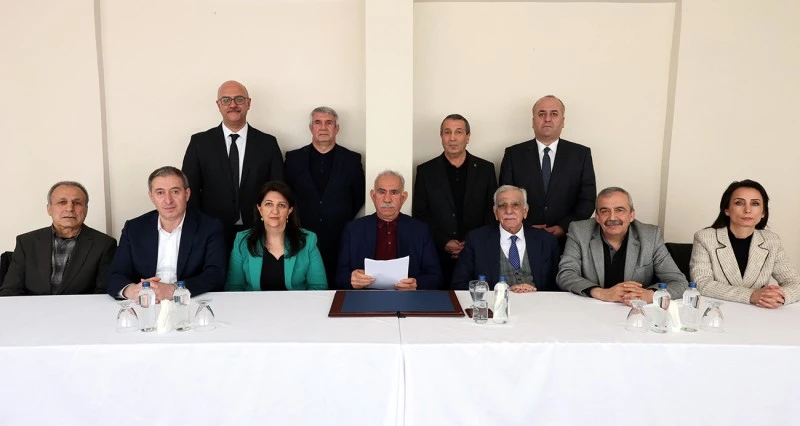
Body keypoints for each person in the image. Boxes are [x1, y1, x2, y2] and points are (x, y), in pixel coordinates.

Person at [182, 80, 283, 253]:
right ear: (218, 105)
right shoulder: (200, 143)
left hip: (258, 228)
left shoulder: (268, 143)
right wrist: (197, 226)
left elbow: (278, 188)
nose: (233, 104)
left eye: (239, 99)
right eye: (226, 100)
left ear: (248, 103)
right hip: (211, 229)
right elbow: (189, 189)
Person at [107, 166, 227, 300]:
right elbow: (115, 275)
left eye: (175, 192)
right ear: (151, 196)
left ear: (187, 194)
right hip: (145, 304)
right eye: (160, 193)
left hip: (190, 302)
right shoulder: (134, 228)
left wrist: (173, 290)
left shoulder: (210, 227)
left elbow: (215, 274)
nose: (168, 200)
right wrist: (133, 291)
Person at [557, 187, 686, 303]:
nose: (612, 218)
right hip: (592, 308)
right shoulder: (579, 232)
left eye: (619, 210)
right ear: (597, 217)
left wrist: (649, 295)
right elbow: (566, 274)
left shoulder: (650, 236)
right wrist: (602, 293)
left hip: (633, 310)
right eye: (605, 211)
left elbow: (679, 282)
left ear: (631, 215)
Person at [499, 95, 596, 247]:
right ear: (533, 121)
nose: (547, 119)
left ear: (563, 121)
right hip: (523, 238)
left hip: (568, 240)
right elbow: (504, 198)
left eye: (554, 114)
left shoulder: (581, 154)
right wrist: (526, 225)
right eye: (541, 114)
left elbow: (588, 200)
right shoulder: (513, 154)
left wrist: (563, 226)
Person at [413, 114, 497, 288]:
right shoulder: (425, 171)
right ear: (441, 137)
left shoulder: (486, 169)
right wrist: (444, 242)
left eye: (458, 132)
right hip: (437, 254)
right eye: (447, 132)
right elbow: (421, 214)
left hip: (477, 253)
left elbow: (492, 211)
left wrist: (471, 242)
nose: (452, 138)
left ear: (468, 137)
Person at [284, 106, 365, 285]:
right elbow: (286, 195)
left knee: (337, 283)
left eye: (329, 123)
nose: (323, 127)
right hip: (301, 235)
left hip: (339, 236)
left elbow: (359, 195)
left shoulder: (352, 160)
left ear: (337, 128)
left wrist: (338, 215)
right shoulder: (293, 158)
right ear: (310, 128)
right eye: (318, 122)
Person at [690, 179, 800, 307]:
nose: (747, 210)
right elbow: (702, 283)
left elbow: (794, 282)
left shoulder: (772, 240)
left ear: (763, 212)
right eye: (739, 203)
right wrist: (751, 295)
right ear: (726, 209)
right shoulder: (705, 238)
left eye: (755, 204)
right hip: (718, 311)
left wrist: (777, 296)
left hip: (759, 311)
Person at [0, 182, 116, 296]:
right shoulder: (26, 242)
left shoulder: (104, 244)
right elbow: (11, 290)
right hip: (34, 307)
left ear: (86, 209)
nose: (69, 208)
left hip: (80, 308)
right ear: (49, 209)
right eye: (62, 202)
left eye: (77, 203)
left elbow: (103, 294)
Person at [336, 171, 441, 290]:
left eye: (394, 192)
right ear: (373, 196)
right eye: (381, 192)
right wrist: (351, 279)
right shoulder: (353, 229)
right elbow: (340, 276)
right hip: (363, 296)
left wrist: (417, 284)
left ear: (403, 198)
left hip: (408, 296)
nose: (387, 199)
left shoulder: (420, 230)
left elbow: (436, 276)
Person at [452, 185, 559, 292]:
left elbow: (557, 286)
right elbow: (459, 283)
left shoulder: (547, 241)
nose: (509, 211)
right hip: (495, 302)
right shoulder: (476, 239)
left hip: (537, 301)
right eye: (502, 206)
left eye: (515, 205)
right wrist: (502, 292)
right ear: (495, 212)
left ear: (525, 211)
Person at [226, 181, 327, 291]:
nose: (275, 211)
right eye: (269, 204)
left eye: (281, 205)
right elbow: (234, 288)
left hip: (296, 302)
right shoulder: (242, 240)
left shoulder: (308, 240)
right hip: (254, 302)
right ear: (260, 209)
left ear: (289, 210)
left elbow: (319, 287)